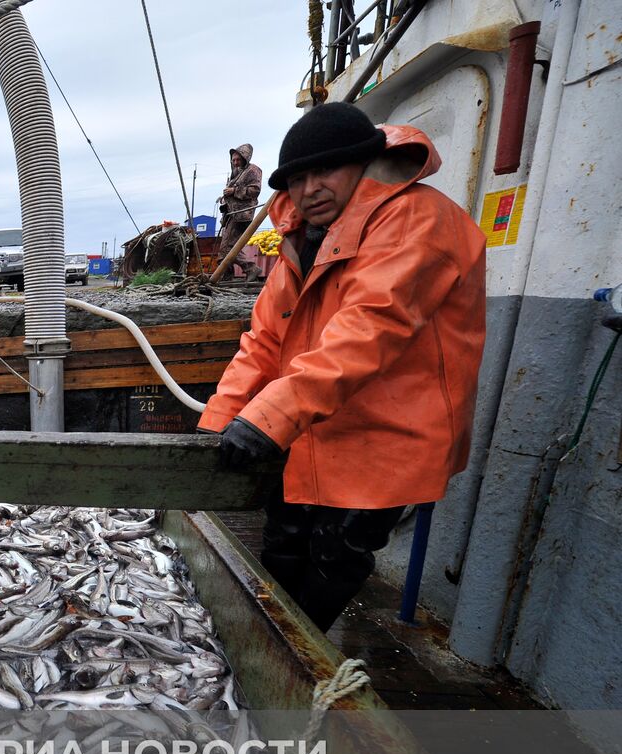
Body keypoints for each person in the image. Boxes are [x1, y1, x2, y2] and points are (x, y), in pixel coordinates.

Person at [199, 102, 486, 632]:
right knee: (283, 543)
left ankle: (294, 665)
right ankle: (268, 644)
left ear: (364, 163)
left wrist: (267, 419)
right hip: (312, 426)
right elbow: (264, 339)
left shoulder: (418, 221)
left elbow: (370, 329)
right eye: (299, 178)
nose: (311, 189)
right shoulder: (301, 237)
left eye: (325, 170)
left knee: (336, 556)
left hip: (389, 435)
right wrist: (216, 427)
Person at [216, 143, 264, 280]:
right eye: (233, 160)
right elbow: (233, 188)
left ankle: (251, 268)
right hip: (231, 214)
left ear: (245, 158)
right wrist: (225, 196)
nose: (235, 162)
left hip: (243, 215)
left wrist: (234, 191)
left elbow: (255, 191)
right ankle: (226, 274)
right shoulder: (237, 171)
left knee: (231, 247)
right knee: (225, 246)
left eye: (238, 159)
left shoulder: (253, 170)